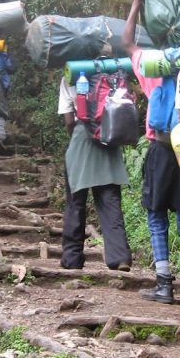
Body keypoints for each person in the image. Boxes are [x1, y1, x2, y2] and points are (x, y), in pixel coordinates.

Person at [122, 0, 180, 306]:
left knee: (156, 214)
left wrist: (136, 1)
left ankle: (164, 284)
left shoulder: (154, 63)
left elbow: (127, 43)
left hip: (159, 147)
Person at [58, 75, 133, 272]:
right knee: (110, 201)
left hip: (82, 136)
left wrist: (80, 134)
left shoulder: (71, 74)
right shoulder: (114, 71)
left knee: (76, 201)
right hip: (109, 136)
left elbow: (68, 120)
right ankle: (120, 258)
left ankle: (71, 257)